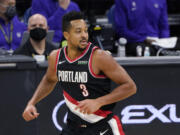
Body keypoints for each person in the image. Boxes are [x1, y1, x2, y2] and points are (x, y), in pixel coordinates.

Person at [22, 11, 137, 135]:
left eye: (85, 31)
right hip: (73, 127)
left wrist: (99, 102)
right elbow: (49, 80)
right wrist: (32, 103)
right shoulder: (56, 57)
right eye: (78, 31)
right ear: (67, 35)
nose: (84, 35)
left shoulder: (99, 57)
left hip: (101, 126)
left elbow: (130, 86)